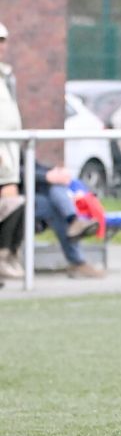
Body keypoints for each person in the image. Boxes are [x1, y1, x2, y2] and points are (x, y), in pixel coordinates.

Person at [31, 163, 104, 279]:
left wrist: (55, 171)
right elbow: (15, 174)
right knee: (56, 207)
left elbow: (32, 164)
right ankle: (77, 260)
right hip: (16, 195)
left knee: (57, 191)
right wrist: (46, 176)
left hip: (36, 191)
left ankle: (74, 221)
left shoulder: (16, 149)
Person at [0, 20, 25, 275]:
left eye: (2, 41)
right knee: (10, 200)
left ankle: (5, 256)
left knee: (12, 201)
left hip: (9, 151)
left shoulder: (6, 75)